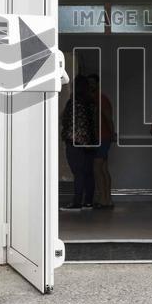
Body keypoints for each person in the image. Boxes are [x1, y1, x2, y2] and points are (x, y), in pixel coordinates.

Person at [61, 75, 97, 210]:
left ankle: (76, 202)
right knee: (88, 172)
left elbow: (65, 119)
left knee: (78, 172)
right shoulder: (91, 102)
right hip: (90, 141)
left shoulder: (73, 102)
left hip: (75, 140)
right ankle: (88, 202)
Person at [87, 74, 115, 209]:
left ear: (97, 84)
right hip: (99, 137)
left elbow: (108, 117)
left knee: (98, 168)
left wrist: (112, 133)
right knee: (103, 168)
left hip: (103, 137)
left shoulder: (100, 98)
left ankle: (104, 199)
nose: (90, 85)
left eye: (93, 83)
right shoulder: (93, 99)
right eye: (89, 83)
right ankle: (106, 199)